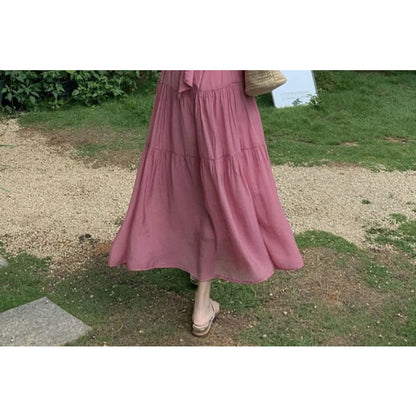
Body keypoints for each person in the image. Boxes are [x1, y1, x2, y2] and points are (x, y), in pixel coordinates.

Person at [108, 71, 304, 337]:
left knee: (188, 182)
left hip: (177, 80)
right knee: (216, 184)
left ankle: (199, 264)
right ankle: (202, 305)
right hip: (219, 83)